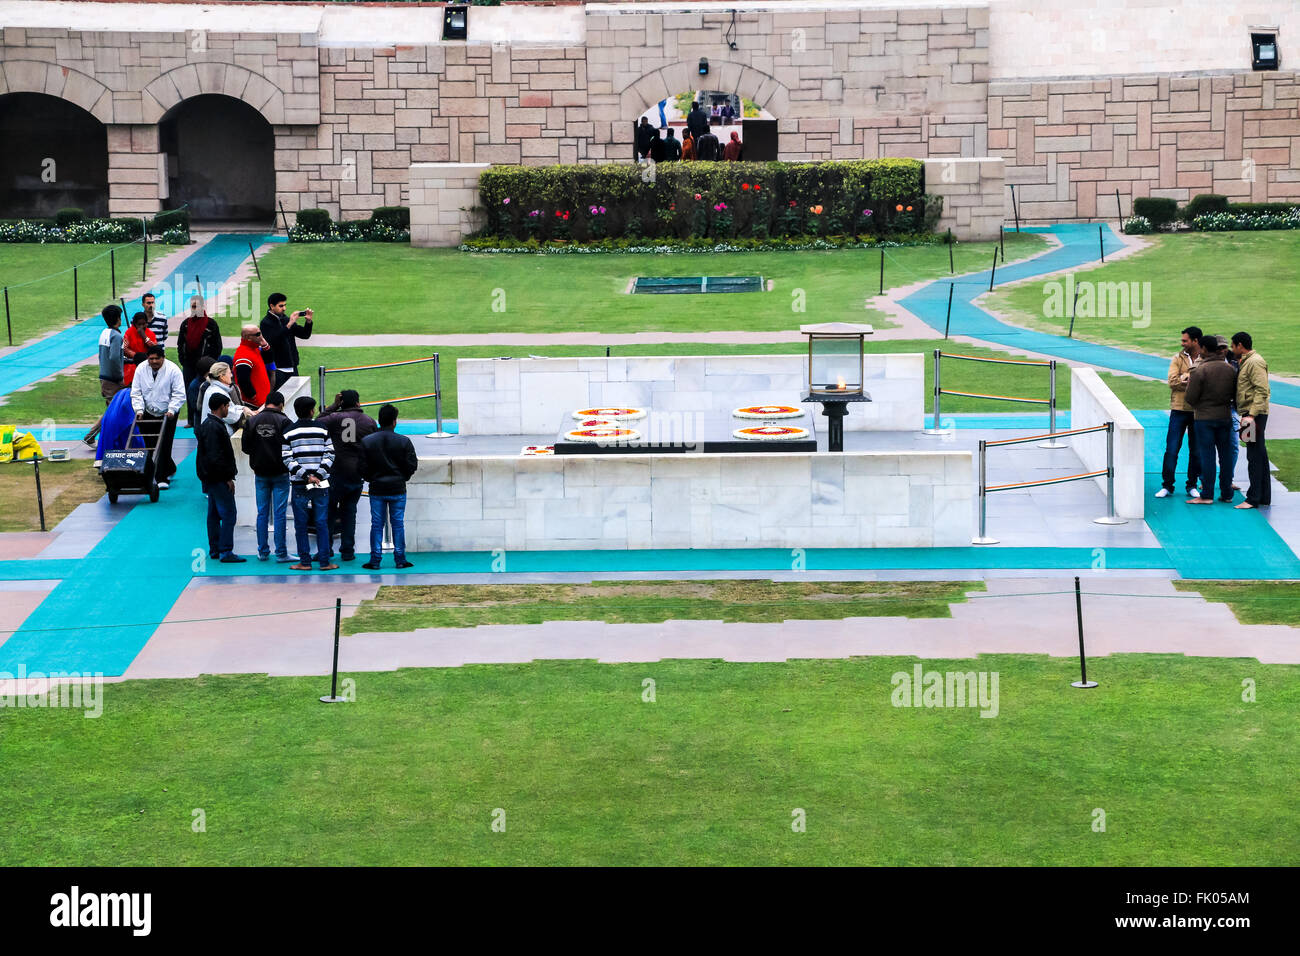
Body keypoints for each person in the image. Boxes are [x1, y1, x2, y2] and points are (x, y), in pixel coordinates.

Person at [316, 389, 377, 562]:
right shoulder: (369, 421)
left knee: (328, 511)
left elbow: (317, 421)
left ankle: (326, 549)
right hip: (356, 473)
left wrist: (333, 406)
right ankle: (348, 550)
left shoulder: (334, 418)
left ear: (342, 403)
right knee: (350, 512)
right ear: (358, 403)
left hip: (334, 472)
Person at [282, 395, 337, 571]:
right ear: (312, 411)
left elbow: (287, 459)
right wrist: (318, 475)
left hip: (299, 483)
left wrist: (306, 476)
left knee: (301, 524)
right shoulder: (322, 429)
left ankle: (304, 562)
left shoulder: (289, 432)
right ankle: (324, 562)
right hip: (321, 482)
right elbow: (330, 454)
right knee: (322, 522)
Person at [361, 403, 418, 570]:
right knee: (398, 523)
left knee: (376, 524)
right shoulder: (404, 441)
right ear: (394, 421)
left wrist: (371, 479)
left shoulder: (367, 441)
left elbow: (362, 467)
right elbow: (412, 465)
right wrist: (402, 477)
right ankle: (400, 559)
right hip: (397, 488)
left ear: (379, 421)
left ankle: (375, 560)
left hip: (377, 488)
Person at [1184, 335, 1237, 505]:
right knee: (1226, 456)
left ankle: (1207, 494)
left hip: (1204, 418)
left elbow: (1190, 398)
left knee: (1207, 457)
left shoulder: (1200, 370)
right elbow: (1235, 395)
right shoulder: (1230, 369)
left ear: (1204, 349)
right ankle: (1227, 493)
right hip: (1225, 416)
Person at [244, 390, 295, 562]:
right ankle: (281, 553)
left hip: (260, 472)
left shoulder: (252, 421)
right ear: (281, 405)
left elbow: (245, 447)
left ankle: (262, 551)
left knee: (262, 513)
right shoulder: (285, 421)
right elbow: (291, 447)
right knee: (280, 513)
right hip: (280, 472)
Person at [195, 392, 244, 563]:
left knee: (214, 514)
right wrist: (228, 478)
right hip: (218, 478)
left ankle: (216, 549)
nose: (228, 409)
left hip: (210, 477)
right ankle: (225, 551)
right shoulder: (215, 427)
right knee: (229, 513)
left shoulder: (208, 424)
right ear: (222, 406)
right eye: (227, 406)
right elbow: (216, 457)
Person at [1157, 326, 1202, 498]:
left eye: (1185, 340)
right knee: (1172, 448)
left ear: (1195, 341)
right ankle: (1167, 486)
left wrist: (1186, 378)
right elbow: (1172, 382)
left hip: (1197, 411)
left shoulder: (1204, 358)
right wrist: (1190, 379)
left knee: (1196, 450)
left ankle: (1192, 485)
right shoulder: (1177, 358)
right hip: (1178, 409)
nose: (1182, 343)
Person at [130, 343, 184, 489]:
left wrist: (172, 409)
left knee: (165, 444)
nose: (153, 362)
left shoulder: (173, 370)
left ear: (163, 358)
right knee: (149, 444)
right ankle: (168, 467)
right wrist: (139, 410)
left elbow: (179, 393)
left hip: (168, 412)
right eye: (151, 359)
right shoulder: (141, 369)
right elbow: (136, 392)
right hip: (147, 411)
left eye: (157, 359)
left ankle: (162, 477)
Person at [1232, 331, 1271, 509]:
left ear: (1240, 345)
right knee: (1259, 454)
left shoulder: (1255, 362)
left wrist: (1251, 416)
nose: (1232, 349)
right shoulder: (1248, 361)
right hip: (1253, 413)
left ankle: (1253, 498)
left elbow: (1262, 390)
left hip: (1254, 415)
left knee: (1254, 455)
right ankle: (1263, 496)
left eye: (1233, 346)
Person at [83, 305, 126, 446]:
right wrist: (120, 378)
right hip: (113, 380)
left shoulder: (104, 333)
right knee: (114, 411)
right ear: (118, 319)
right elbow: (114, 358)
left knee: (113, 410)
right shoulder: (117, 336)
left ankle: (98, 437)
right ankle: (91, 436)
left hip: (104, 376)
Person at [176, 294, 222, 426]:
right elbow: (180, 344)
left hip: (205, 366)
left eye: (197, 306)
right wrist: (182, 359)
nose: (194, 309)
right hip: (189, 365)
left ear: (202, 306)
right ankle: (191, 420)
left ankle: (206, 417)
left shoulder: (211, 324)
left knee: (207, 390)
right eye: (192, 306)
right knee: (190, 390)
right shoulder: (185, 324)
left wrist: (210, 363)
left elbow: (217, 346)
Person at [259, 292, 313, 390]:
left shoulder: (285, 319)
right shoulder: (265, 323)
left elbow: (304, 335)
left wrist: (308, 322)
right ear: (272, 306)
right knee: (281, 398)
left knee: (295, 396)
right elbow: (274, 341)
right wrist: (290, 324)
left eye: (285, 305)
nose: (284, 308)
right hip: (278, 368)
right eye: (281, 306)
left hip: (292, 366)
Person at [199, 362, 247, 435]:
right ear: (222, 376)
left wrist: (243, 408)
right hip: (217, 433)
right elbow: (230, 416)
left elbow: (230, 408)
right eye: (229, 373)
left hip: (213, 431)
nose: (231, 375)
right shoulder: (218, 392)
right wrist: (245, 413)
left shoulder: (214, 389)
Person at [233, 324, 273, 408]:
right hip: (255, 405)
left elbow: (269, 360)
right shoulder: (243, 355)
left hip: (262, 401)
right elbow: (243, 380)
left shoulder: (254, 349)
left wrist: (264, 344)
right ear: (248, 338)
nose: (261, 336)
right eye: (258, 334)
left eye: (261, 333)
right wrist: (253, 397)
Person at [121, 311, 156, 387]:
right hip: (131, 368)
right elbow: (124, 348)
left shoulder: (151, 334)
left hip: (147, 366)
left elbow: (155, 348)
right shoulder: (129, 333)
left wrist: (144, 337)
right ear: (134, 324)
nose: (141, 326)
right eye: (139, 324)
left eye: (144, 324)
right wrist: (137, 356)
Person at [186, 355, 217, 432]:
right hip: (201, 425)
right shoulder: (194, 386)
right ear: (207, 372)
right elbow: (197, 407)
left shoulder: (212, 381)